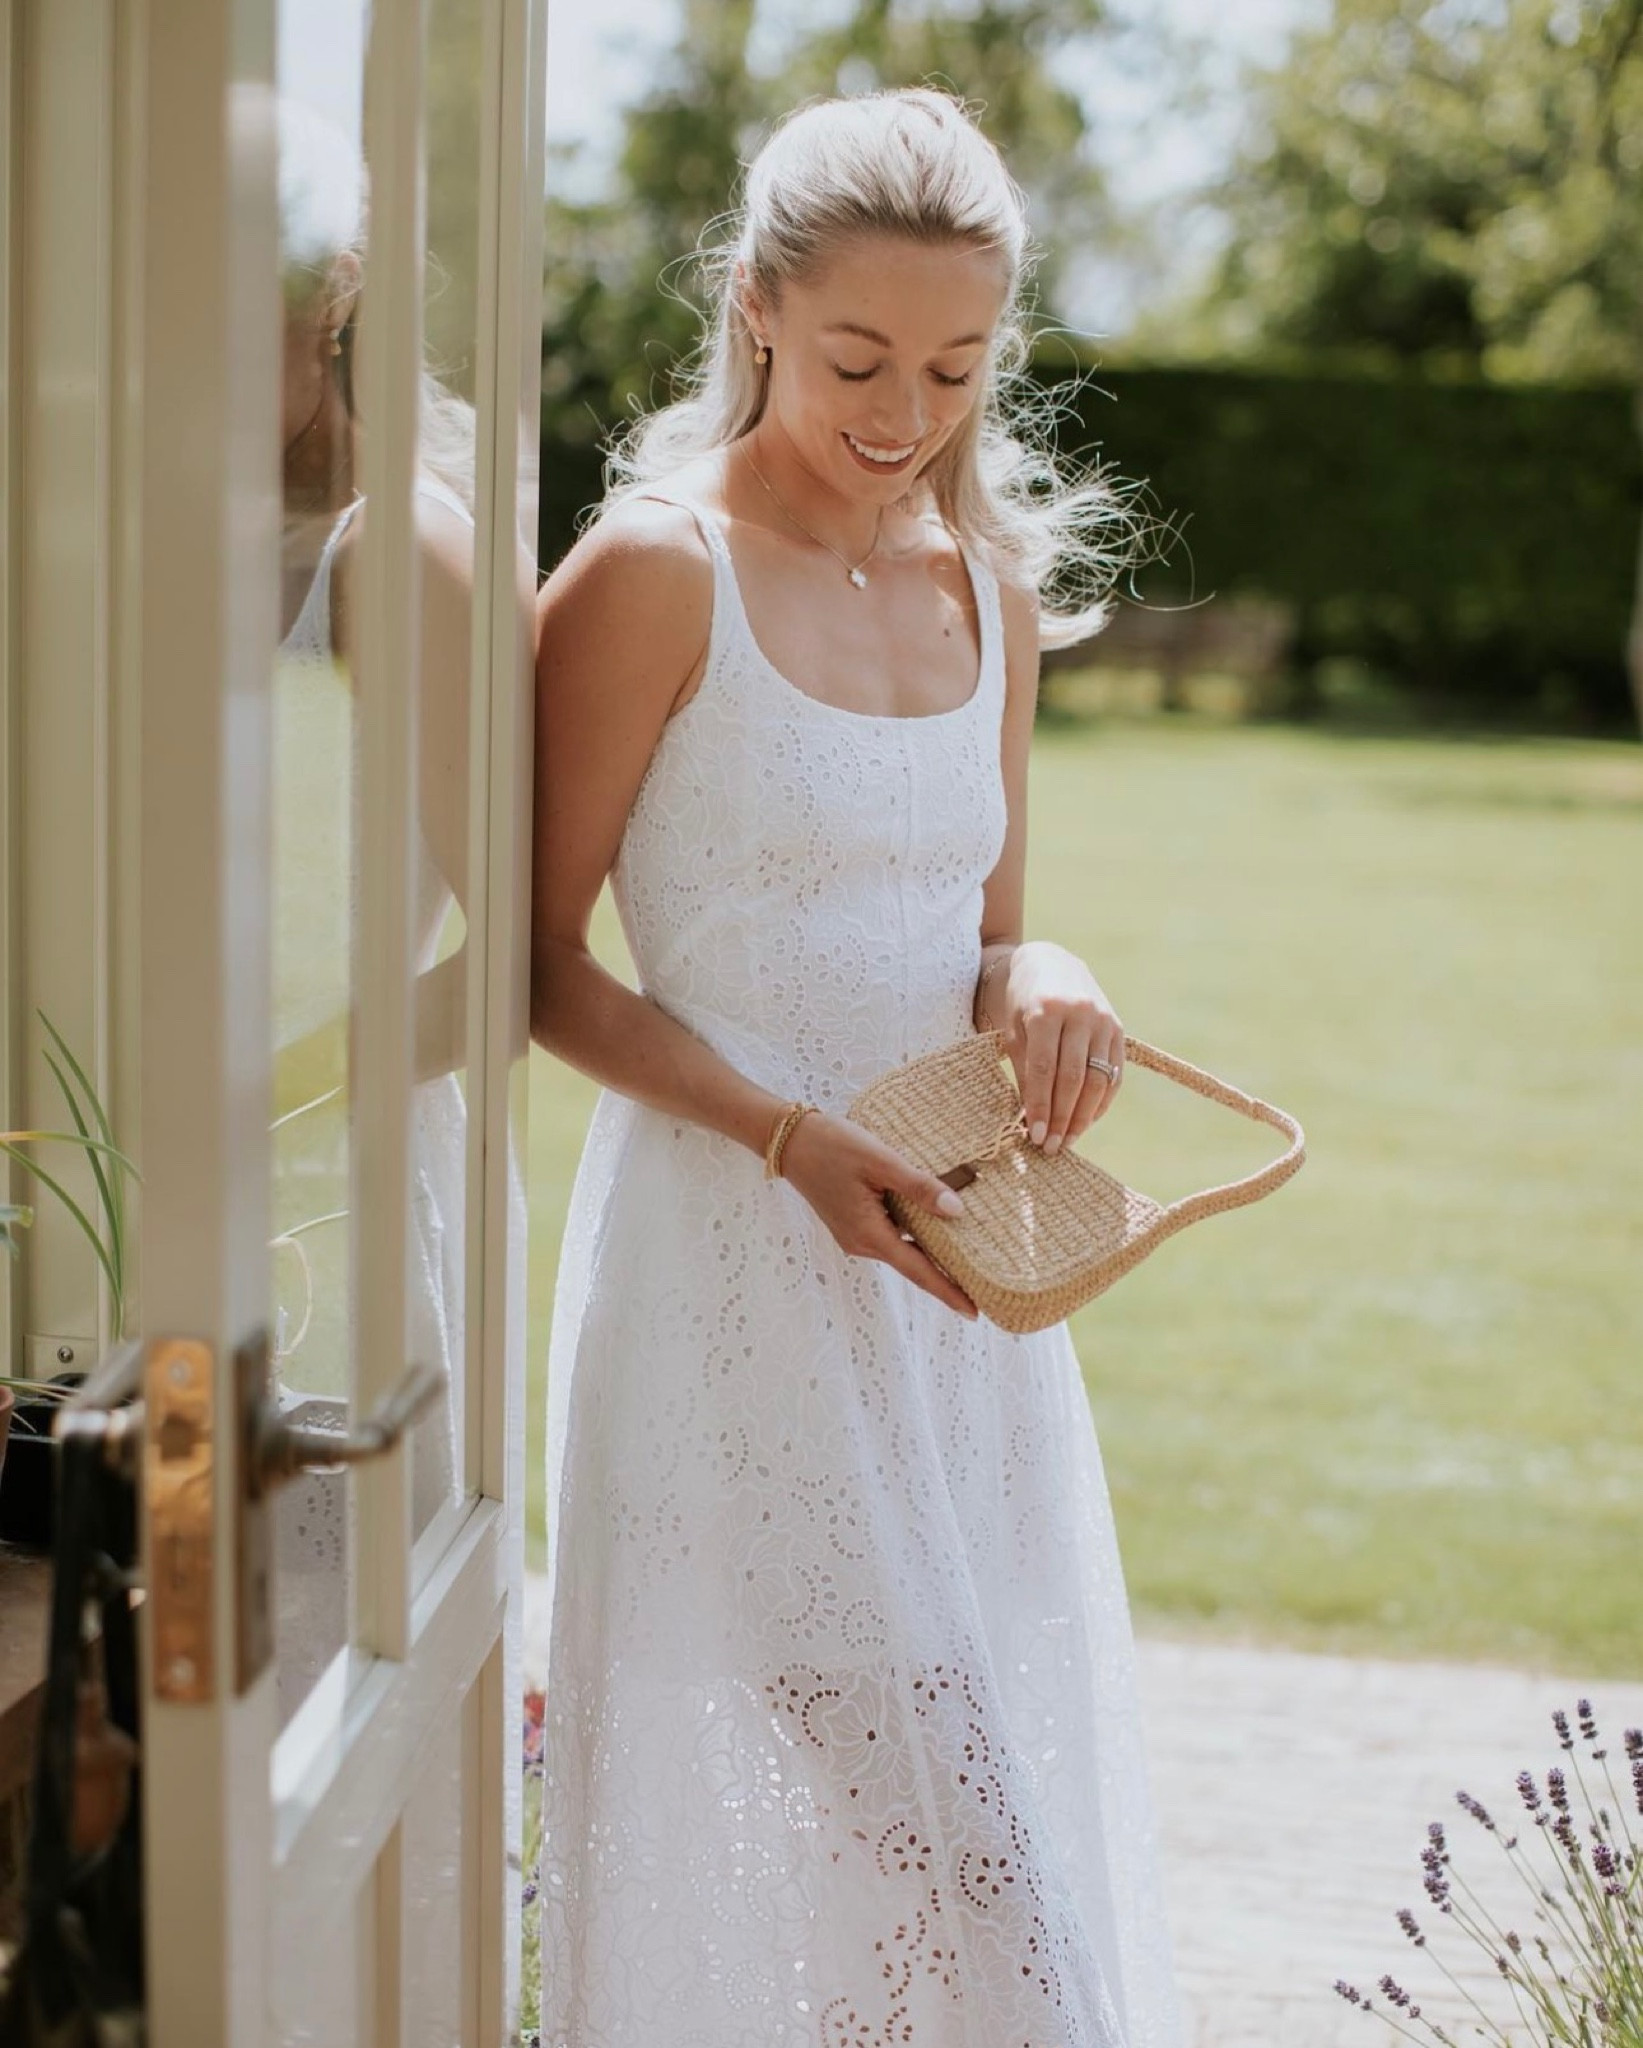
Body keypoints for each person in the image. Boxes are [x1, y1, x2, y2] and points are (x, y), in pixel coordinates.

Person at [531, 87, 1184, 2046]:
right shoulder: (653, 573)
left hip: (956, 1306)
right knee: (971, 1880)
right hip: (733, 1285)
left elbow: (989, 935)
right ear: (753, 308)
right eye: (857, 360)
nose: (905, 413)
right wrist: (784, 1134)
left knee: (939, 1860)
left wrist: (1047, 970)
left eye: (958, 367)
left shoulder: (982, 585)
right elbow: (544, 976)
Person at [271, 95, 476, 1720]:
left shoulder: (395, 556)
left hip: (331, 1221)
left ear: (332, 294)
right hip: (105, 1212)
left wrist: (276, 1085)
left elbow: (522, 964)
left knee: (319, 1711)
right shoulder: (112, 533)